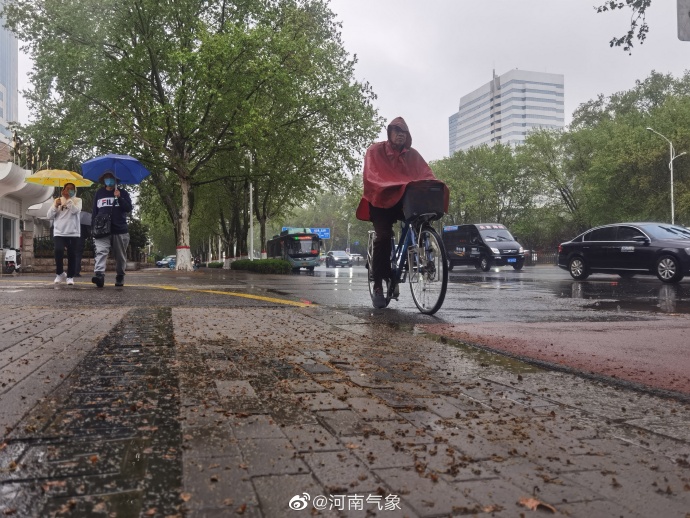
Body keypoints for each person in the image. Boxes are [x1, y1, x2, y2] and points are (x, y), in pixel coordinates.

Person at [356, 117, 446, 308]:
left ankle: (412, 256)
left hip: (403, 200)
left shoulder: (412, 155)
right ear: (389, 133)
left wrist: (434, 184)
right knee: (383, 236)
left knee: (418, 221)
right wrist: (389, 185)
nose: (400, 135)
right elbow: (371, 176)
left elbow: (426, 174)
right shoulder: (375, 151)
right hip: (380, 200)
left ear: (408, 136)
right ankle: (379, 283)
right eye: (396, 131)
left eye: (403, 132)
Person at [91, 171, 133, 288]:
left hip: (119, 229)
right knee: (101, 252)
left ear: (116, 180)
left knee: (120, 256)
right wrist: (93, 228)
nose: (108, 179)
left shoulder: (123, 193)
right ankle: (99, 275)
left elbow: (128, 208)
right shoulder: (99, 193)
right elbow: (95, 211)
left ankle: (120, 275)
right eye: (106, 177)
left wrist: (119, 197)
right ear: (103, 179)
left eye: (111, 177)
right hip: (102, 229)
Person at [46, 182, 82, 286]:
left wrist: (68, 200)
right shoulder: (57, 200)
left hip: (73, 232)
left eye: (71, 189)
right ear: (63, 190)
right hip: (59, 232)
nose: (69, 190)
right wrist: (55, 206)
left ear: (74, 191)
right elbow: (49, 216)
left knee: (72, 255)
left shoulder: (77, 200)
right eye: (67, 188)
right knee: (58, 251)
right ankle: (60, 273)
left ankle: (70, 277)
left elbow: (76, 211)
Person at [74, 210, 92, 277]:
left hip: (72, 239)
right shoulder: (84, 221)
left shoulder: (73, 220)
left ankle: (72, 270)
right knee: (78, 255)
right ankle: (76, 271)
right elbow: (88, 232)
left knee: (72, 256)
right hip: (80, 240)